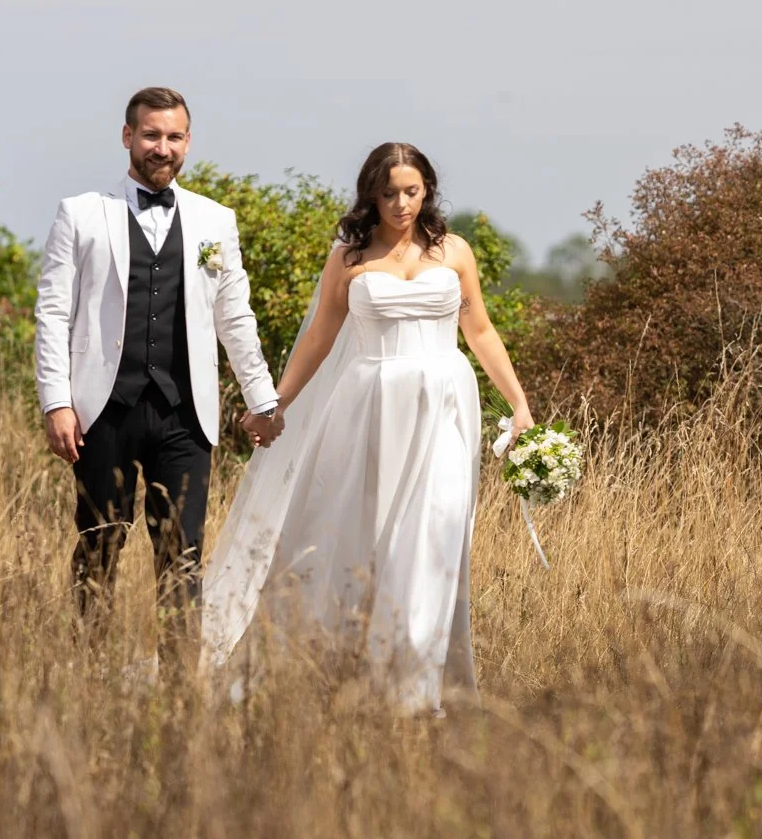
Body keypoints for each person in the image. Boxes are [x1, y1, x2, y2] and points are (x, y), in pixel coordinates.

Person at [200, 142, 533, 713]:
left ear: (427, 190)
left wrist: (520, 405)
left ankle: (416, 688)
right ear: (370, 195)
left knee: (434, 534)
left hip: (444, 409)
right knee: (355, 537)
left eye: (411, 191)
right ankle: (341, 672)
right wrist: (273, 404)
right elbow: (318, 339)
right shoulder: (350, 259)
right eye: (388, 193)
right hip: (369, 406)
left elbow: (479, 330)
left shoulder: (454, 251)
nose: (401, 204)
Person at [33, 86, 283, 662]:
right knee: (98, 547)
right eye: (151, 135)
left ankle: (178, 692)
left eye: (173, 137)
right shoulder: (82, 212)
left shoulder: (214, 221)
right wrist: (56, 402)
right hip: (103, 411)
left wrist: (261, 399)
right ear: (128, 137)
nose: (161, 148)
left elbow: (234, 315)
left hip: (184, 414)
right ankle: (89, 674)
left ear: (187, 142)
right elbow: (52, 313)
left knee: (182, 553)